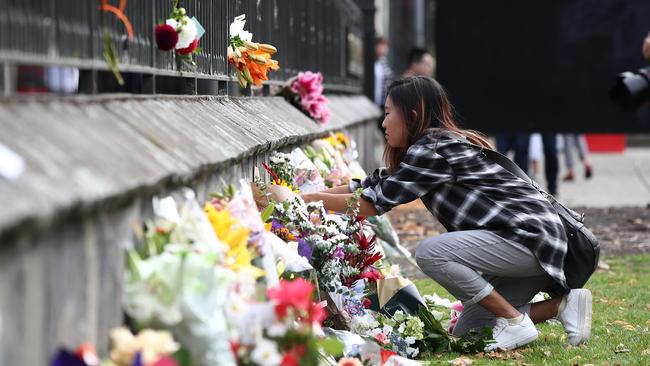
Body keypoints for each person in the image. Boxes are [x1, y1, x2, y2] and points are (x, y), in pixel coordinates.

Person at [300, 76, 592, 351]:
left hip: (531, 241)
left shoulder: (433, 149)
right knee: (470, 330)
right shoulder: (434, 145)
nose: (383, 122)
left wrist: (311, 200)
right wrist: (315, 191)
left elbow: (372, 204)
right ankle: (562, 306)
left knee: (430, 252)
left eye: (389, 113)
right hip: (537, 246)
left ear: (413, 115)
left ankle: (514, 321)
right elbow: (372, 184)